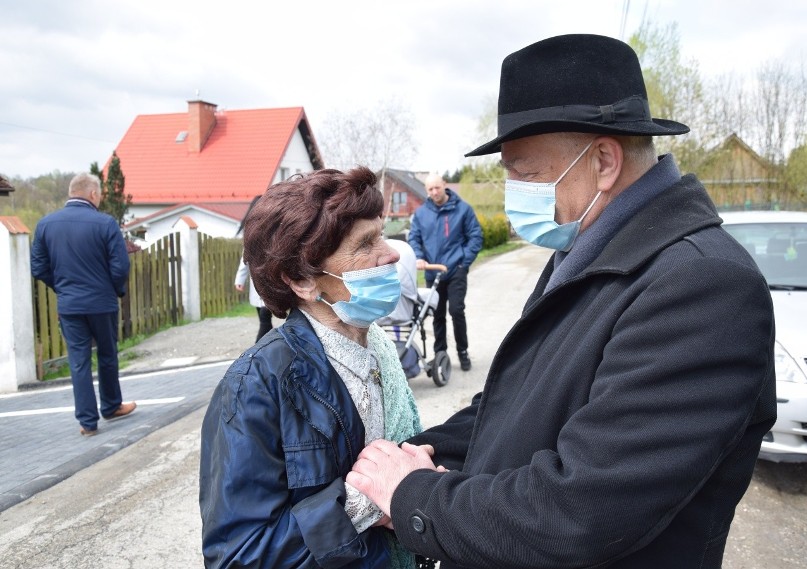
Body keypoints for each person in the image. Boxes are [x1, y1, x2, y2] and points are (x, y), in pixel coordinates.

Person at [346, 34, 776, 569]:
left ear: (602, 162)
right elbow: (520, 403)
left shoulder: (703, 287)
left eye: (525, 173)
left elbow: (583, 509)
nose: (513, 191)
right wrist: (421, 454)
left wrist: (414, 498)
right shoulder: (589, 246)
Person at [199, 167, 425, 569]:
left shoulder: (377, 346)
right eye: (365, 243)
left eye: (382, 234)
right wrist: (369, 498)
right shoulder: (255, 385)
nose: (390, 253)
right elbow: (239, 555)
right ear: (302, 281)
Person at [31, 173, 137, 436]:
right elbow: (120, 265)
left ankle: (87, 423)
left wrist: (62, 287)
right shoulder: (105, 224)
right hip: (101, 303)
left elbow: (38, 267)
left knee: (78, 361)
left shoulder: (46, 224)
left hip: (70, 305)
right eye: (99, 194)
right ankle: (112, 406)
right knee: (107, 355)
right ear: (92, 194)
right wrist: (114, 290)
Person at [407, 173, 482, 371]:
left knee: (456, 311)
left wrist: (463, 262)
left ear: (444, 185)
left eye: (437, 188)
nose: (434, 192)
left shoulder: (463, 209)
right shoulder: (421, 214)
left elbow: (475, 236)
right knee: (437, 314)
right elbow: (414, 238)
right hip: (433, 272)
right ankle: (441, 353)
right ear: (426, 191)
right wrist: (419, 256)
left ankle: (463, 352)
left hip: (456, 269)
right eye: (430, 189)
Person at [234, 195, 273, 342]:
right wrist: (240, 279)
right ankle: (261, 352)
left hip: (271, 280)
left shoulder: (274, 227)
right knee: (264, 319)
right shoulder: (251, 230)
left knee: (265, 319)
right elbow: (245, 258)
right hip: (258, 282)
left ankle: (259, 352)